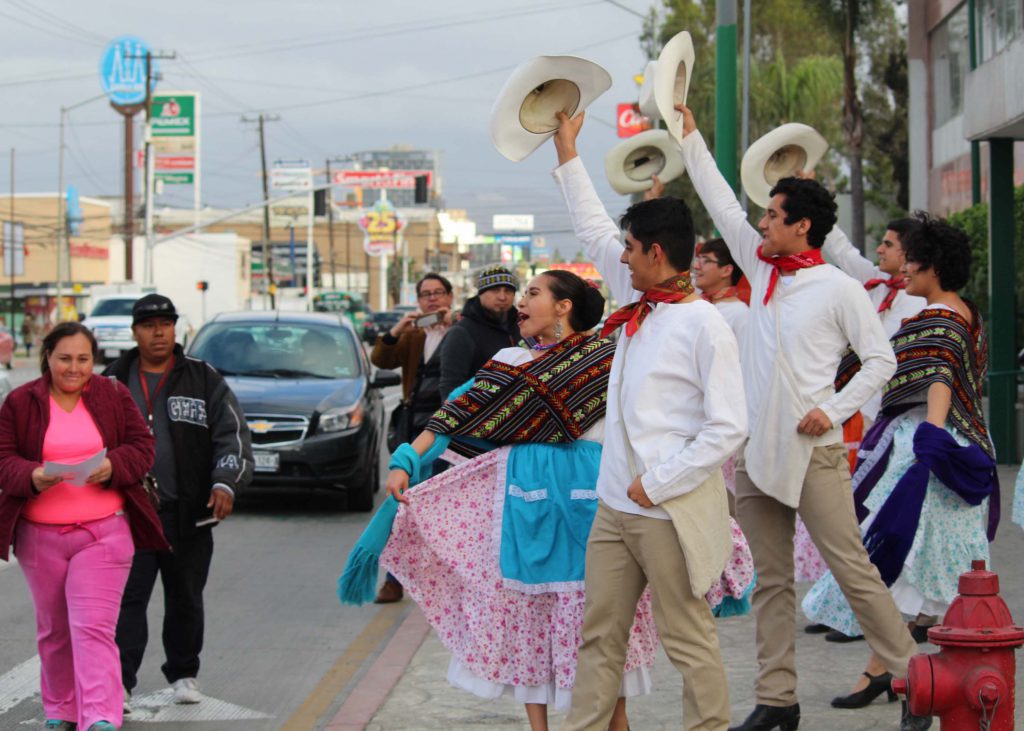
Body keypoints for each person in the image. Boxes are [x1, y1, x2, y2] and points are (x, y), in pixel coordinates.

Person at [675, 104, 926, 731]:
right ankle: (777, 699)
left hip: (816, 452)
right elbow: (719, 201)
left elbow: (881, 360)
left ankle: (916, 680)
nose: (760, 221)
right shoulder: (758, 266)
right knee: (771, 581)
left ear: (802, 226)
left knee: (852, 569)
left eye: (772, 214)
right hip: (755, 453)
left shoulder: (839, 287)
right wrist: (688, 134)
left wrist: (832, 409)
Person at [377, 270, 660, 731]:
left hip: (591, 497)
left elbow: (643, 423)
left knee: (597, 614)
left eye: (532, 294)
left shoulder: (606, 359)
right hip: (523, 496)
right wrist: (406, 459)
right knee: (528, 614)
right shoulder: (510, 360)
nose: (520, 303)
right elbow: (457, 412)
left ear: (564, 307)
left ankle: (616, 723)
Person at [553, 111, 748, 731]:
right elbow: (592, 229)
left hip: (666, 509)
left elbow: (728, 428)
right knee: (598, 637)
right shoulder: (638, 300)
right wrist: (565, 148)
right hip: (614, 508)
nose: (621, 257)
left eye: (631, 248)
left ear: (655, 253)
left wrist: (657, 482)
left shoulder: (704, 324)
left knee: (688, 639)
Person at [802, 214, 997, 724]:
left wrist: (930, 440)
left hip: (929, 451)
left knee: (903, 560)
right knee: (930, 568)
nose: (904, 269)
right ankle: (899, 676)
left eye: (912, 260)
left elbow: (940, 376)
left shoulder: (939, 319)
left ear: (934, 266)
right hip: (949, 445)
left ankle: (910, 680)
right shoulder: (965, 312)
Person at [0, 322, 167, 731]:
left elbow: (142, 447)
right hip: (39, 537)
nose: (74, 368)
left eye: (83, 359)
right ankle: (61, 709)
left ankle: (100, 715)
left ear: (94, 360)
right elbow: (4, 459)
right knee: (54, 630)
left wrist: (112, 466)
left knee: (92, 628)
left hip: (104, 533)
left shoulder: (112, 394)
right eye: (64, 359)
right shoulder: (21, 401)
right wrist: (32, 475)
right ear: (47, 357)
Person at [106, 294, 254, 709]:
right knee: (127, 599)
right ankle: (120, 682)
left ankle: (184, 674)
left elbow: (232, 435)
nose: (158, 332)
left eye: (165, 324)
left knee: (185, 596)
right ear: (134, 332)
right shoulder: (112, 380)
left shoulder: (202, 377)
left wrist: (225, 483)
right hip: (128, 515)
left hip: (187, 513)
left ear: (175, 328)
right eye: (148, 325)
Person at [370, 273, 454, 603]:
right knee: (403, 504)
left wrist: (454, 324)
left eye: (438, 293)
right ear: (418, 301)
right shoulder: (414, 334)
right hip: (412, 429)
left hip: (447, 434)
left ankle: (437, 580)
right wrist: (397, 330)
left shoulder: (460, 331)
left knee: (438, 508)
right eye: (426, 294)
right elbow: (381, 359)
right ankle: (394, 579)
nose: (432, 299)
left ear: (450, 296)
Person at [437, 265, 521, 399]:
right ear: (481, 294)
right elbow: (450, 385)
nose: (502, 297)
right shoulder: (462, 332)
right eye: (495, 290)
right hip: (477, 408)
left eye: (508, 291)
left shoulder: (521, 326)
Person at [693, 237, 749, 346]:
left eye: (706, 260)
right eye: (698, 259)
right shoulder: (697, 304)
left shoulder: (739, 313)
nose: (696, 266)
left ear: (726, 270)